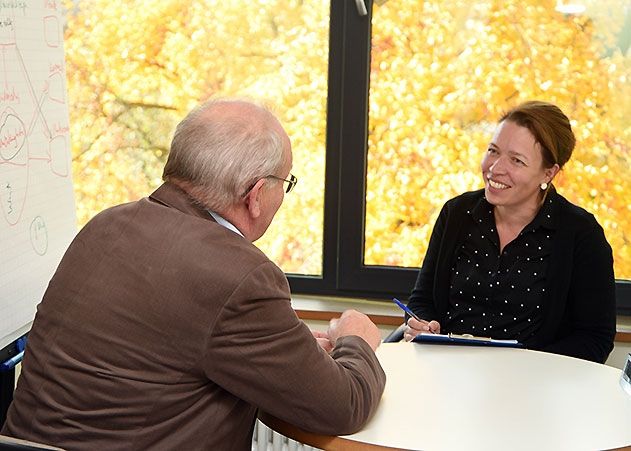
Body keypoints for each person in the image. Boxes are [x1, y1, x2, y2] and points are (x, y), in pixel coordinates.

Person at [1, 99, 386, 449]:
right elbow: (344, 406)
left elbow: (166, 345)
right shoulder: (241, 275)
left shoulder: (105, 225)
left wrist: (289, 354)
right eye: (285, 183)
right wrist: (357, 340)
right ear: (254, 195)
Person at [403, 100, 616, 363]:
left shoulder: (581, 234)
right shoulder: (456, 213)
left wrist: (524, 364)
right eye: (493, 151)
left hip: (533, 385)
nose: (495, 168)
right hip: (449, 372)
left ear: (548, 173)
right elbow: (422, 300)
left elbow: (595, 338)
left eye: (516, 160)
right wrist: (422, 324)